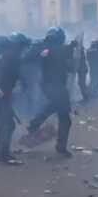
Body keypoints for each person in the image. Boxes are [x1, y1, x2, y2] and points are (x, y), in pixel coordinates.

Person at [26, 27, 75, 158]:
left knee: (54, 105)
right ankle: (61, 147)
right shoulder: (59, 49)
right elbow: (71, 67)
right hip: (56, 86)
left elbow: (69, 66)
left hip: (48, 85)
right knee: (65, 117)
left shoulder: (44, 47)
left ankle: (34, 123)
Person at [0, 35, 22, 163]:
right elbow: (2, 73)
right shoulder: (4, 57)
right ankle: (3, 154)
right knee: (8, 123)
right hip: (1, 92)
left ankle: (0, 150)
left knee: (0, 120)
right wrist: (1, 88)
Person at [73, 38, 90, 103]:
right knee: (81, 83)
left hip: (82, 69)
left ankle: (86, 98)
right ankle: (86, 97)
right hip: (82, 69)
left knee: (81, 83)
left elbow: (77, 59)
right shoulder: (79, 50)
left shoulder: (80, 51)